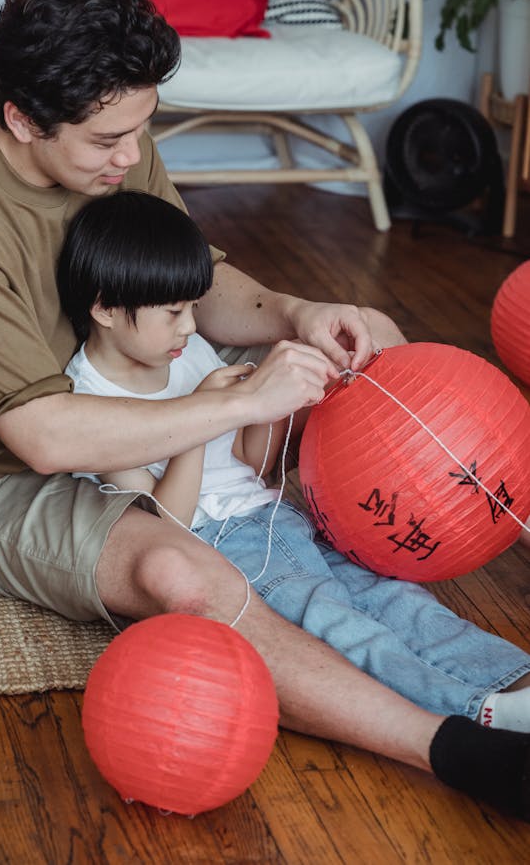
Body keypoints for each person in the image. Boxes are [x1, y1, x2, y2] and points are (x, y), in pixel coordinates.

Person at [0, 0, 530, 820]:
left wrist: (299, 310)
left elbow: (192, 277)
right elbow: (44, 439)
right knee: (183, 572)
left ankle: (502, 680)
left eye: (143, 128)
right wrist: (237, 403)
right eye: (109, 139)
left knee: (320, 514)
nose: (132, 155)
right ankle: (448, 747)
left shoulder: (111, 150)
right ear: (21, 117)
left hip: (145, 402)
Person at [59, 188, 530, 731]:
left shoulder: (183, 351)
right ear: (105, 308)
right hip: (222, 545)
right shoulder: (89, 399)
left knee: (394, 597)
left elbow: (248, 464)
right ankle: (477, 711)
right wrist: (205, 412)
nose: (191, 326)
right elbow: (168, 526)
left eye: (192, 308)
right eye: (173, 313)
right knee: (339, 625)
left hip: (277, 517)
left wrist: (278, 403)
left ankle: (512, 679)